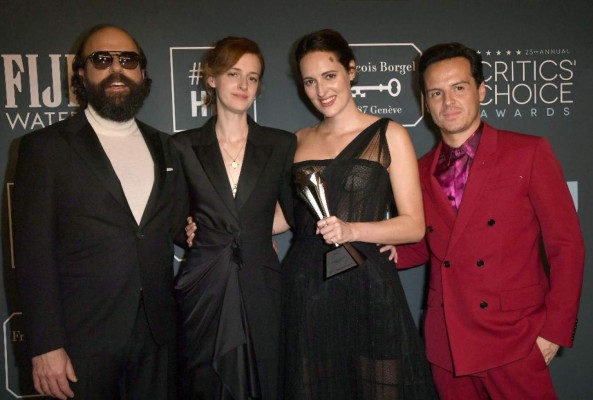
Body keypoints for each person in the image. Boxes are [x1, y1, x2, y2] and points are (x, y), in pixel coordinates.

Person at [396, 42, 585, 399]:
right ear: (425, 100)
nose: (447, 101)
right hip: (448, 344)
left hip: (515, 339)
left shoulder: (528, 152)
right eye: (436, 92)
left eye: (459, 87)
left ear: (481, 89)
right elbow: (421, 245)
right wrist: (365, 244)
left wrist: (555, 333)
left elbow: (566, 245)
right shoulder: (419, 170)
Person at [13, 24, 186, 399]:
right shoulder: (44, 149)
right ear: (81, 74)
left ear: (142, 72)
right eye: (102, 60)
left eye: (128, 60)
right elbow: (32, 255)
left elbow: (177, 225)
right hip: (80, 343)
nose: (116, 69)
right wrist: (45, 345)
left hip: (158, 337)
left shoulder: (168, 147)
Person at [280, 29, 437, 399]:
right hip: (307, 288)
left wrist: (353, 230)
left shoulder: (389, 133)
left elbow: (414, 226)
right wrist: (215, 222)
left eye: (330, 76)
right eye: (310, 82)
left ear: (351, 70)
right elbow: (280, 217)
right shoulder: (297, 140)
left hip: (368, 287)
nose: (321, 91)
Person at [173, 37, 296, 399]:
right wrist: (189, 231)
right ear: (211, 78)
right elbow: (174, 218)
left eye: (253, 78)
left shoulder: (281, 144)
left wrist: (256, 231)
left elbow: (293, 211)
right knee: (204, 383)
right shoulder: (181, 146)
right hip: (203, 284)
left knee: (266, 378)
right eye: (234, 73)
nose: (244, 86)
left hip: (262, 282)